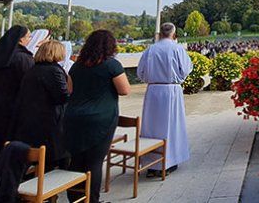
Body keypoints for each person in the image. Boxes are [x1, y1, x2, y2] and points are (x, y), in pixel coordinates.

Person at [65, 30, 129, 203]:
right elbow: (125, 90)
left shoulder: (77, 64)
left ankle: (75, 197)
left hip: (73, 116)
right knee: (94, 161)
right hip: (100, 117)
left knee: (76, 160)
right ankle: (92, 200)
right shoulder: (111, 65)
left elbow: (69, 90)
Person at [138, 23, 193, 177]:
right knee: (171, 125)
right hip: (171, 90)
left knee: (152, 127)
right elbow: (186, 69)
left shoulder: (151, 49)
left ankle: (152, 162)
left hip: (153, 91)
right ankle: (169, 161)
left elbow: (140, 72)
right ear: (174, 34)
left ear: (160, 33)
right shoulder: (177, 49)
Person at [12, 40, 70, 169]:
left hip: (31, 115)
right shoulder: (54, 71)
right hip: (49, 118)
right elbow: (61, 96)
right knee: (53, 155)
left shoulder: (33, 69)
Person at [0, 25, 32, 152]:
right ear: (21, 39)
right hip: (12, 104)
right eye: (28, 36)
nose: (30, 39)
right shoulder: (22, 57)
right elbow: (28, 81)